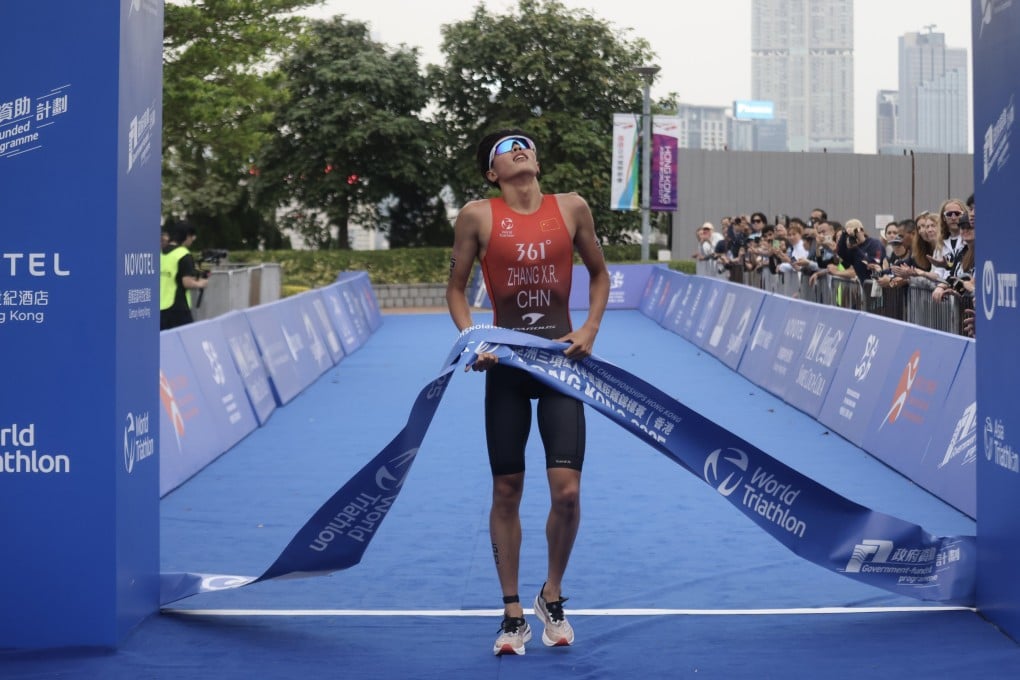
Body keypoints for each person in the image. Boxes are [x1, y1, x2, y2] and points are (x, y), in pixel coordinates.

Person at [445, 129, 610, 656]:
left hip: (561, 364)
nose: (520, 148)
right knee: (507, 490)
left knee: (567, 492)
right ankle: (512, 611)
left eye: (527, 143)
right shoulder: (477, 215)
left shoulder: (572, 207)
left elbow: (600, 274)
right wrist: (472, 341)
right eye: (506, 147)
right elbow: (455, 288)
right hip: (508, 366)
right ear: (493, 172)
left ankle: (552, 596)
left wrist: (588, 330)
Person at [160, 222, 209, 330]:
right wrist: (201, 283)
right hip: (177, 306)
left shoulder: (161, 252)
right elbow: (187, 282)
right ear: (186, 236)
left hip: (160, 306)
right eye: (192, 236)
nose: (192, 240)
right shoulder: (183, 254)